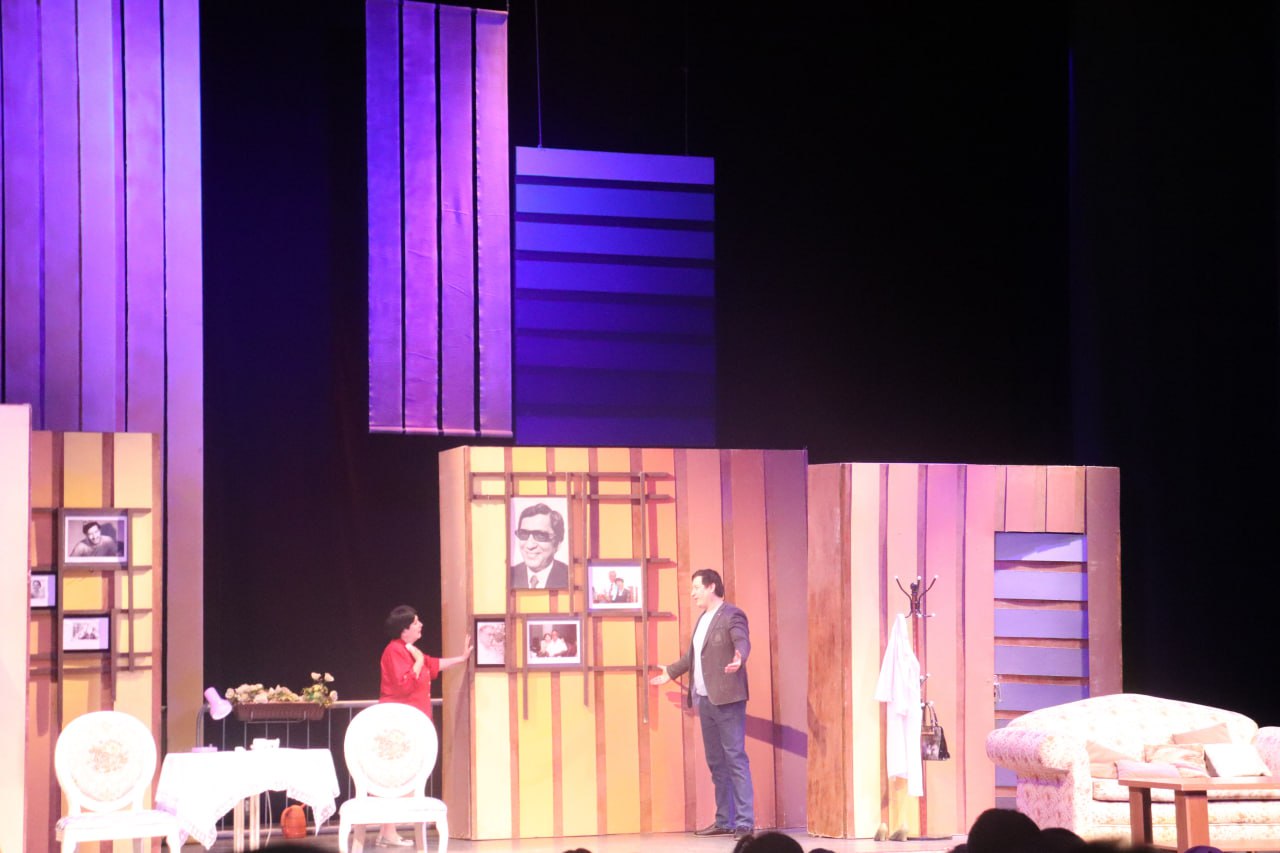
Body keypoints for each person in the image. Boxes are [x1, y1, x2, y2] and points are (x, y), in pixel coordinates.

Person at [650, 568, 753, 839]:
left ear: (711, 587)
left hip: (728, 699)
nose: (693, 593)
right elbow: (692, 657)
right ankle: (724, 820)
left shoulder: (732, 614)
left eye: (696, 587)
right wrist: (671, 672)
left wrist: (740, 656)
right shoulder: (703, 619)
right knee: (716, 762)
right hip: (705, 700)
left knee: (735, 758)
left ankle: (745, 822)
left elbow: (741, 640)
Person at [377, 605, 472, 847]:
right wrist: (418, 662)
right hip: (399, 723)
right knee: (398, 775)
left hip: (411, 722)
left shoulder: (408, 650)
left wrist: (461, 658)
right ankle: (388, 830)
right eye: (416, 622)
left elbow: (432, 664)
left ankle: (387, 830)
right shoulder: (394, 650)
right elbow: (403, 684)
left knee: (404, 774)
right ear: (404, 629)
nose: (420, 625)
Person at [510, 503, 570, 589]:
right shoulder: (508, 575)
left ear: (558, 543)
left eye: (540, 536)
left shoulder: (571, 577)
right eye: (523, 534)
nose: (530, 545)